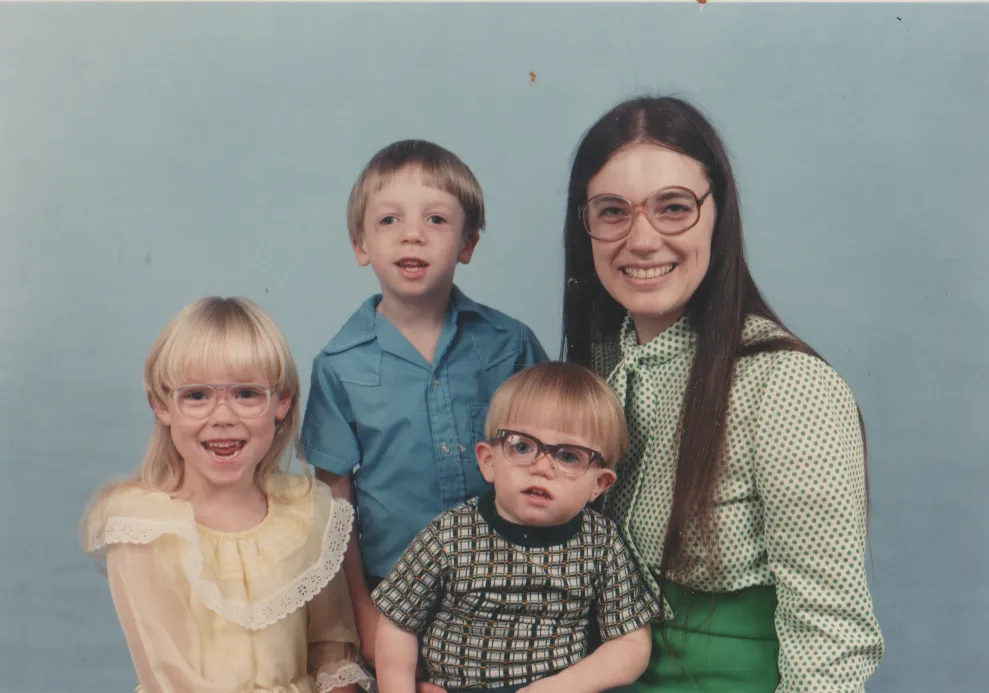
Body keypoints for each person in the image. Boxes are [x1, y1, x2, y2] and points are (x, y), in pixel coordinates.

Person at [560, 96, 884, 692]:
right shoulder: (597, 370)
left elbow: (832, 637)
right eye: (612, 212)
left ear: (718, 214)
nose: (642, 239)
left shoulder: (789, 387)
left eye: (674, 208)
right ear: (586, 227)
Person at [301, 140, 549, 668]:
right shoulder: (339, 365)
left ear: (467, 243)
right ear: (360, 245)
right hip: (393, 597)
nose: (412, 233)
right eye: (389, 219)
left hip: (510, 586)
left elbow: (555, 454)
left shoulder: (510, 345)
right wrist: (362, 613)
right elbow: (335, 504)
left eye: (436, 219)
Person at [82, 297, 371, 693]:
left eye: (246, 394)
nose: (222, 417)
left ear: (281, 402)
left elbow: (333, 658)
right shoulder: (143, 528)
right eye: (197, 396)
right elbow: (170, 678)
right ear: (161, 405)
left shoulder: (309, 511)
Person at [371, 362, 661, 693]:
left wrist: (563, 686)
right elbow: (398, 624)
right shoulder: (448, 534)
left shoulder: (601, 543)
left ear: (599, 484)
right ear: (488, 461)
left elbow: (631, 644)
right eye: (522, 446)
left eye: (568, 456)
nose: (541, 467)